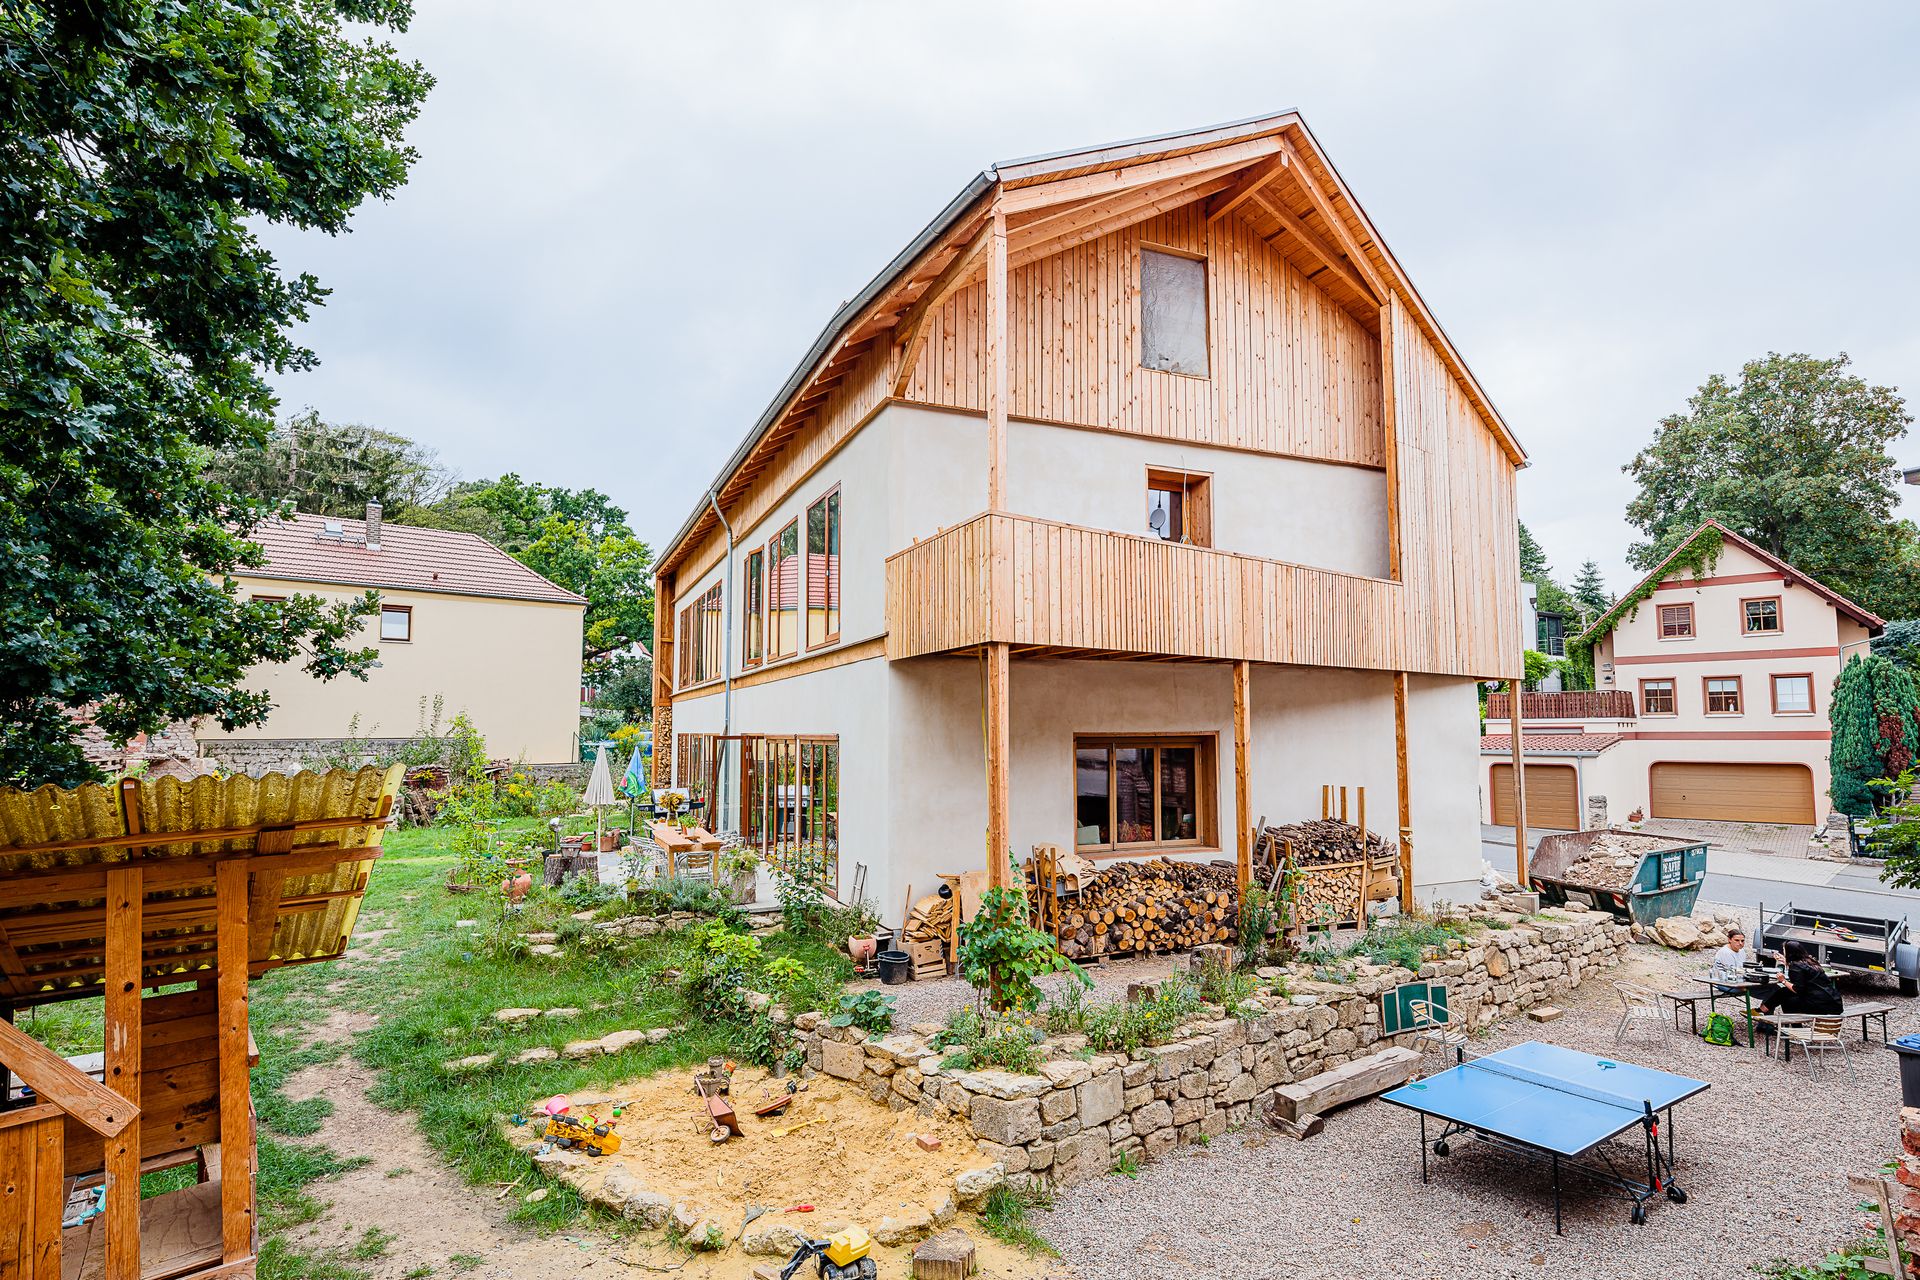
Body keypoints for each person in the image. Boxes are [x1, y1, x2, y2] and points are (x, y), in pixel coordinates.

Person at [1756, 942, 1843, 1016]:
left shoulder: (1795, 966)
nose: (1784, 952)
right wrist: (1785, 961)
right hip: (1834, 1003)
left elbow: (1798, 989)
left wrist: (1783, 980)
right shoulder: (1811, 962)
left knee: (1787, 999)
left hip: (1822, 1006)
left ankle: (1794, 1028)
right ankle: (1763, 1009)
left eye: (1784, 950)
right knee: (1784, 992)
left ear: (1790, 953)